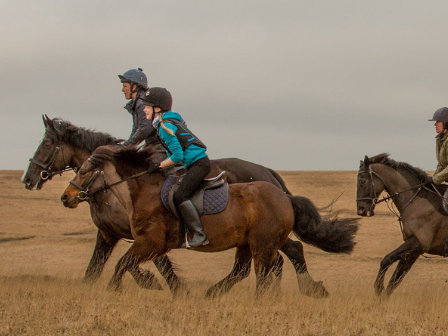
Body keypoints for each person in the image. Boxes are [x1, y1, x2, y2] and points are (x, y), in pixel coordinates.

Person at [140, 87, 210, 247]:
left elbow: (177, 156)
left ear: (157, 108)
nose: (143, 109)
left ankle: (199, 234)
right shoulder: (167, 122)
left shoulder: (165, 127)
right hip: (194, 164)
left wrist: (159, 165)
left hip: (199, 164)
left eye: (146, 105)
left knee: (180, 195)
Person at [118, 68, 158, 146]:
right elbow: (136, 130)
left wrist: (124, 146)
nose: (123, 90)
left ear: (134, 87)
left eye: (125, 86)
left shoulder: (142, 103)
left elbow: (145, 130)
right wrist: (125, 146)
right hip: (153, 145)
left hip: (160, 147)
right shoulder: (137, 103)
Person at [427, 107, 448, 185]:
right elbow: (441, 164)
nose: (435, 124)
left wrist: (435, 179)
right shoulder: (440, 139)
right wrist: (431, 180)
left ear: (446, 123)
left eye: (438, 121)